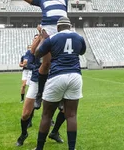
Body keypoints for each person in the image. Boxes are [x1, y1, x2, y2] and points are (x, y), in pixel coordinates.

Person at [19, 0, 68, 109]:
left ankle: (59, 97)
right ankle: (40, 94)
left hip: (61, 31)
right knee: (46, 64)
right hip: (47, 32)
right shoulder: (42, 0)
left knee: (59, 65)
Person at [33, 16, 86, 150]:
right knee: (72, 115)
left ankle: (39, 148)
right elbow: (82, 51)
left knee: (46, 115)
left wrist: (44, 39)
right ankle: (72, 148)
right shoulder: (79, 37)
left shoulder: (53, 38)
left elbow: (37, 54)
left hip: (57, 75)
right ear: (70, 26)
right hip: (75, 75)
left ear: (58, 27)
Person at [16, 32, 66, 147]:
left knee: (65, 109)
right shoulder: (33, 50)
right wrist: (39, 37)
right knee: (25, 114)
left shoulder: (53, 45)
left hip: (53, 80)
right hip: (36, 81)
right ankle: (24, 134)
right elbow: (31, 55)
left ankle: (54, 132)